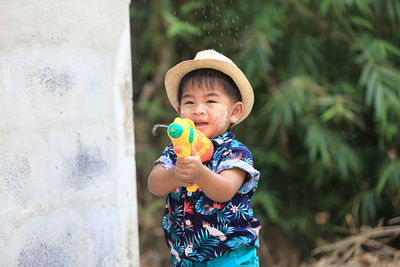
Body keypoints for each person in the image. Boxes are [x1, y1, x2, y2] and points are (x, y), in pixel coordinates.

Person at [148, 49, 261, 267]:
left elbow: (225, 190)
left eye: (210, 101)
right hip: (185, 257)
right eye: (189, 103)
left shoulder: (234, 152)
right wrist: (174, 175)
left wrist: (199, 173)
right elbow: (154, 184)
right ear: (180, 111)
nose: (198, 110)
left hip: (230, 256)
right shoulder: (175, 150)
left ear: (234, 112)